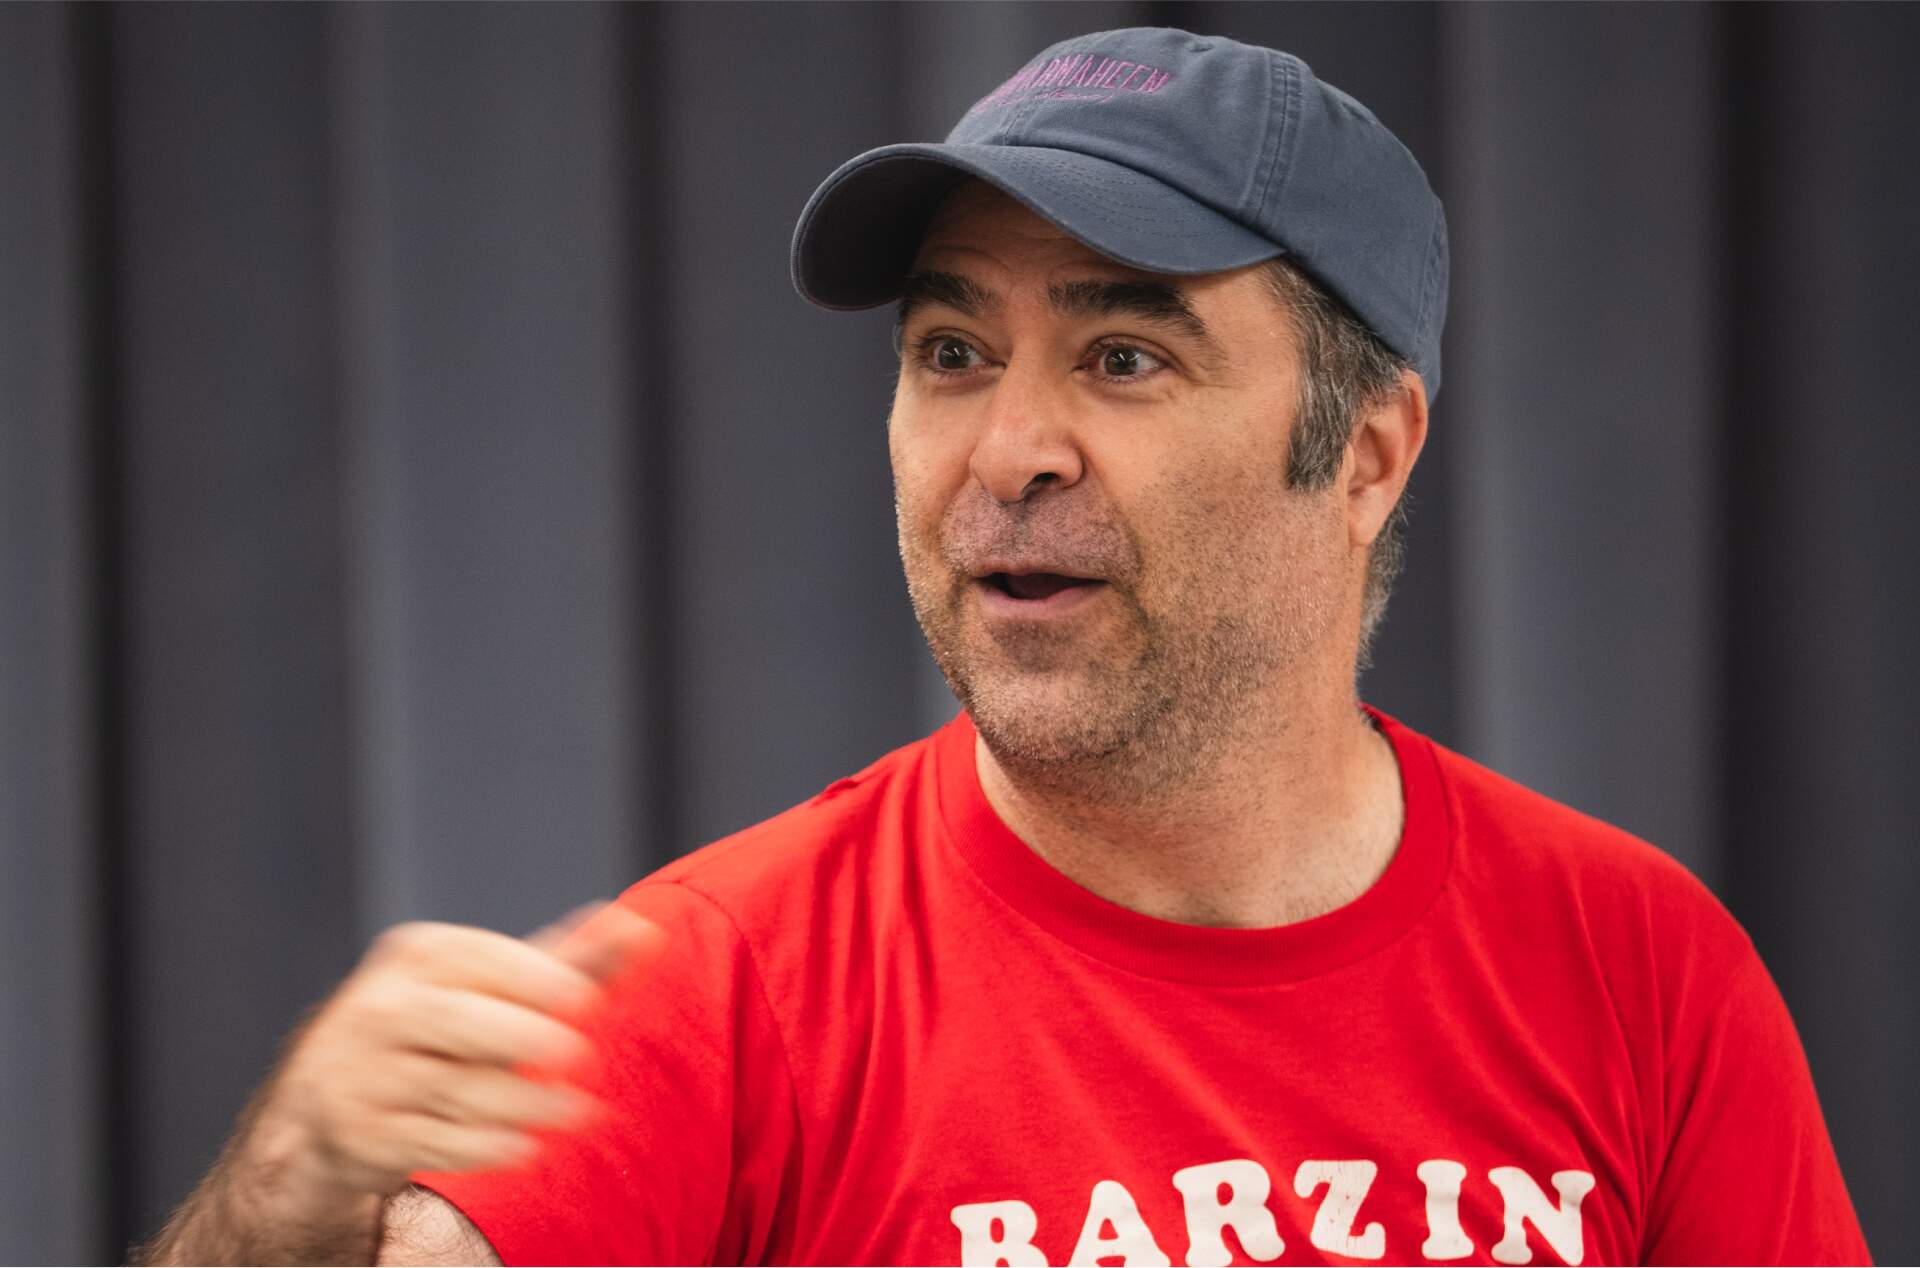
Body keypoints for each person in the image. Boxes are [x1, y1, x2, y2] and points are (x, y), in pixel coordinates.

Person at [137, 27, 1870, 1268]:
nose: (1006, 449)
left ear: (1364, 453)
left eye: (1124, 358)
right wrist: (279, 1208)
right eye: (954, 351)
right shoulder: (708, 997)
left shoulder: (1642, 973)